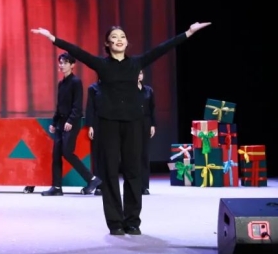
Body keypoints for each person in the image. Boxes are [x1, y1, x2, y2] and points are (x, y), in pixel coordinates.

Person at [31, 22, 210, 235]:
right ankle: (115, 222)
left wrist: (188, 32)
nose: (119, 39)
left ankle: (132, 221)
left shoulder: (135, 63)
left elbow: (162, 48)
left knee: (133, 171)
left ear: (126, 42)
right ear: (108, 43)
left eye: (122, 36)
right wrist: (52, 38)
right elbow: (77, 51)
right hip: (108, 123)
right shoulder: (101, 64)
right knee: (109, 172)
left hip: (133, 123)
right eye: (114, 37)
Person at [41, 53, 101, 196]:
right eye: (60, 62)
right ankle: (56, 187)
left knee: (67, 152)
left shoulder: (76, 82)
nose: (61, 65)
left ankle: (92, 179)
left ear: (72, 65)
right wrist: (54, 122)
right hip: (60, 123)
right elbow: (59, 106)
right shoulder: (61, 84)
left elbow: (77, 106)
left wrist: (70, 121)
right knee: (56, 154)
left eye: (65, 62)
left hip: (71, 123)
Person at [138, 70, 156, 195]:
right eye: (136, 73)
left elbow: (152, 108)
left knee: (144, 154)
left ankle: (144, 186)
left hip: (146, 123)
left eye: (140, 73)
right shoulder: (129, 90)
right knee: (133, 154)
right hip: (133, 123)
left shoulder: (148, 90)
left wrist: (153, 125)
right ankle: (134, 184)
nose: (139, 76)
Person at [85, 80, 103, 196]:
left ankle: (109, 185)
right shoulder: (93, 88)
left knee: (110, 156)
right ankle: (99, 185)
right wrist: (90, 126)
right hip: (97, 124)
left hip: (111, 124)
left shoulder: (114, 86)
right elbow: (90, 108)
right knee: (97, 155)